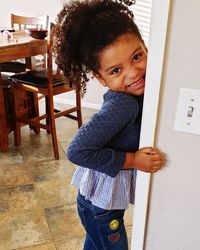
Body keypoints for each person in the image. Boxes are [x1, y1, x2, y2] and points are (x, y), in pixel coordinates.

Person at [55, 0, 165, 249]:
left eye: (137, 56)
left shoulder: (146, 89)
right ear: (100, 78)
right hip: (99, 206)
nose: (133, 73)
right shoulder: (122, 105)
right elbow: (76, 151)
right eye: (116, 70)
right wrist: (133, 160)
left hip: (101, 202)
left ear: (146, 48)